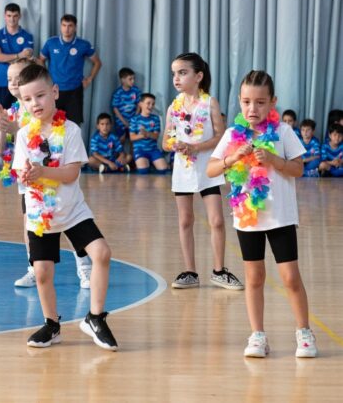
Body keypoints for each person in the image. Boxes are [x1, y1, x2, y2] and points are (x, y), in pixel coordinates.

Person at [207, 70, 317, 358]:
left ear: (272, 102)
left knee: (290, 277)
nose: (252, 109)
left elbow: (298, 168)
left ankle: (304, 332)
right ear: (239, 102)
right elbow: (211, 169)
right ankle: (257, 335)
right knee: (254, 277)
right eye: (246, 102)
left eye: (260, 102)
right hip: (247, 219)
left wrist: (274, 160)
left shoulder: (283, 132)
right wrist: (233, 158)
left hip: (280, 216)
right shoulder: (232, 134)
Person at [12, 64, 118, 351]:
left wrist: (42, 172)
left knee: (102, 253)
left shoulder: (70, 130)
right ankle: (52, 325)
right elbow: (21, 172)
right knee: (42, 273)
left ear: (55, 92)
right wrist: (25, 175)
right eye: (27, 99)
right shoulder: (23, 135)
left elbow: (71, 173)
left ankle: (95, 318)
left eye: (40, 95)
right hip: (40, 215)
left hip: (72, 211)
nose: (35, 103)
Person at [0, 58, 92, 289]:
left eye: (18, 78)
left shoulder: (42, 109)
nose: (13, 83)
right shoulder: (12, 112)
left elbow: (36, 133)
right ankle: (33, 267)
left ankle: (84, 265)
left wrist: (15, 128)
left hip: (56, 177)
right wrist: (3, 129)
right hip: (30, 182)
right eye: (9, 79)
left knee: (69, 222)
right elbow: (1, 149)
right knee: (30, 224)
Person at [162, 53, 242, 290]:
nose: (176, 78)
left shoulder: (210, 103)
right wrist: (174, 145)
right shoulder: (173, 106)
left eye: (182, 72)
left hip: (208, 168)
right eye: (174, 73)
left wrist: (195, 147)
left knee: (216, 220)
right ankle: (190, 272)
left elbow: (220, 136)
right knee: (185, 220)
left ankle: (219, 271)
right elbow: (165, 140)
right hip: (183, 170)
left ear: (198, 76)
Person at [0, 3, 34, 169]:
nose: (12, 19)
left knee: (21, 117)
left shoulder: (26, 36)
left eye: (15, 16)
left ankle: (19, 155)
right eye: (9, 16)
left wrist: (5, 55)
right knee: (0, 118)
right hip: (1, 82)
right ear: (5, 16)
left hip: (21, 83)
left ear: (19, 16)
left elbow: (27, 58)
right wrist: (18, 55)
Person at [38, 14, 102, 124]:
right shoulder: (51, 43)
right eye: (64, 25)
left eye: (70, 26)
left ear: (75, 27)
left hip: (74, 91)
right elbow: (40, 60)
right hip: (55, 90)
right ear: (60, 26)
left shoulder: (83, 44)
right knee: (53, 123)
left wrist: (89, 79)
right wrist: (46, 78)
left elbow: (97, 62)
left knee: (74, 125)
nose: (66, 29)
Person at [130, 93, 169, 174]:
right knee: (143, 170)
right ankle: (145, 163)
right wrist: (143, 135)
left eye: (153, 104)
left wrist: (147, 133)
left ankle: (151, 162)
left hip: (153, 150)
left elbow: (156, 136)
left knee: (163, 169)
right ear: (140, 104)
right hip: (139, 150)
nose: (151, 106)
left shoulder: (155, 118)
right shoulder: (134, 119)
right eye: (148, 103)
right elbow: (132, 137)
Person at [111, 67, 141, 142]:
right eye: (130, 79)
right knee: (121, 139)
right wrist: (124, 122)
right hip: (121, 121)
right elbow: (115, 109)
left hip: (133, 120)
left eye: (133, 79)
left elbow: (139, 104)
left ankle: (131, 151)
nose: (133, 81)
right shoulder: (118, 93)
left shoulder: (136, 90)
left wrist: (135, 117)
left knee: (133, 139)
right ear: (123, 80)